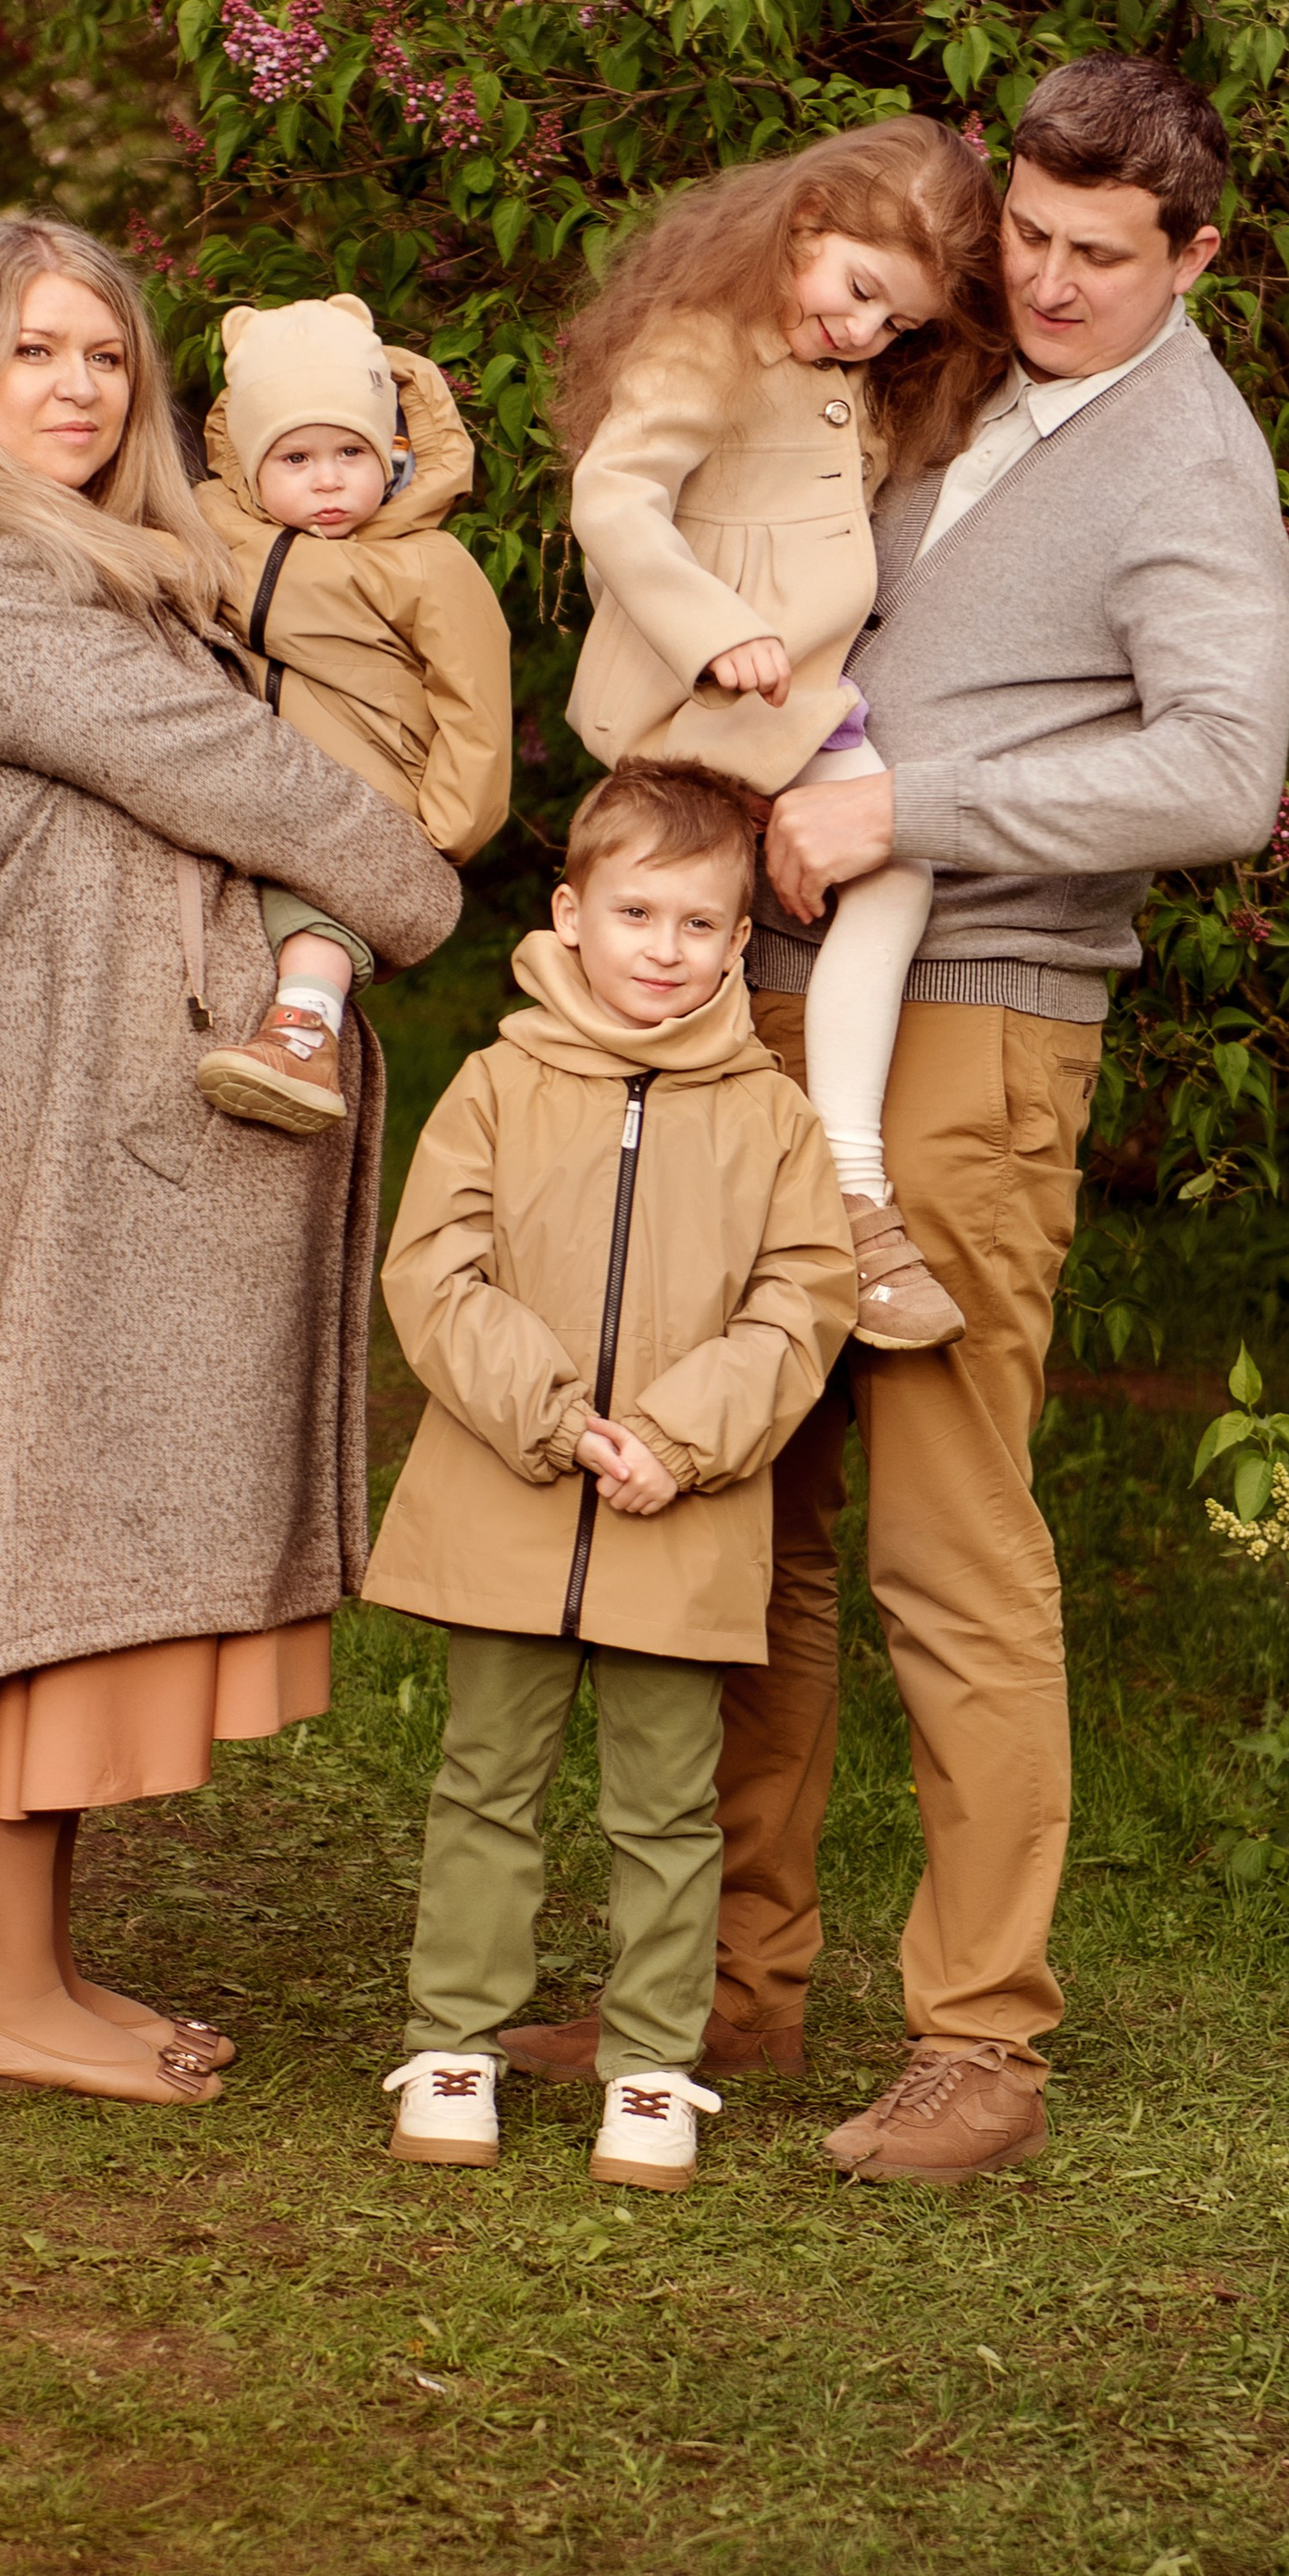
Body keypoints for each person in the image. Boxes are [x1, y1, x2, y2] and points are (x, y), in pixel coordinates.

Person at [505, 54, 1289, 2184]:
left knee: (944, 1539)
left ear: (1193, 255)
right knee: (737, 1509)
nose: (1043, 279)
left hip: (975, 1021)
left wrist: (908, 804)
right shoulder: (939, 378)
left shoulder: (1184, 460)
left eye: (1096, 254)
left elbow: (1218, 769)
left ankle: (979, 2039)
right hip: (760, 997)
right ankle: (723, 1985)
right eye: (1021, 232)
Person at [0, 216, 459, 2106]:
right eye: (30, 350)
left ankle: (37, 1974)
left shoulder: (81, 575)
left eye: (103, 355)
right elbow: (255, 782)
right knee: (23, 1538)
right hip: (44, 1137)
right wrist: (410, 880)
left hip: (76, 1129)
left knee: (55, 1531)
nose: (74, 386)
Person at [361, 760, 856, 2193]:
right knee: (485, 1782)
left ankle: (650, 2062)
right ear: (572, 913)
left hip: (680, 1517)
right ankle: (453, 2042)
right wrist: (557, 1417)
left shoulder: (771, 1114)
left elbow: (803, 1299)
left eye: (700, 924)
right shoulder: (497, 1084)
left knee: (669, 1805)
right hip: (509, 1498)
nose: (665, 948)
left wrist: (679, 1438)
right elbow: (433, 1268)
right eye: (636, 912)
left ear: (740, 938)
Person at [557, 116, 1006, 1356]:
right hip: (709, 703)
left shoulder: (838, 379)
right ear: (803, 226)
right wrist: (713, 629)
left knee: (885, 871)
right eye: (858, 291)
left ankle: (840, 1177)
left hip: (791, 708)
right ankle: (691, 1176)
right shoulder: (705, 340)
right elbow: (615, 496)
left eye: (897, 323)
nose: (865, 332)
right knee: (683, 916)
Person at [190, 292, 512, 1134]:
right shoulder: (217, 529)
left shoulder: (425, 564)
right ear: (250, 466)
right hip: (257, 780)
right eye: (295, 457)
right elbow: (154, 562)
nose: (328, 479)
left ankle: (304, 1036)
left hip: (371, 787)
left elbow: (476, 703)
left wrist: (442, 832)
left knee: (315, 906)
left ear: (390, 453)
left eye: (350, 452)